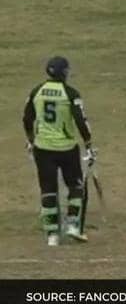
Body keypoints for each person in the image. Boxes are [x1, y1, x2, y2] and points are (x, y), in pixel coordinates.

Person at [22, 56, 97, 245]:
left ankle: (52, 234)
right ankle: (72, 225)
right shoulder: (70, 93)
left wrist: (31, 140)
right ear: (64, 72)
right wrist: (88, 144)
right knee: (75, 186)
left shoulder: (37, 91)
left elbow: (27, 118)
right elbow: (81, 121)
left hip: (42, 148)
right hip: (66, 148)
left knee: (48, 190)